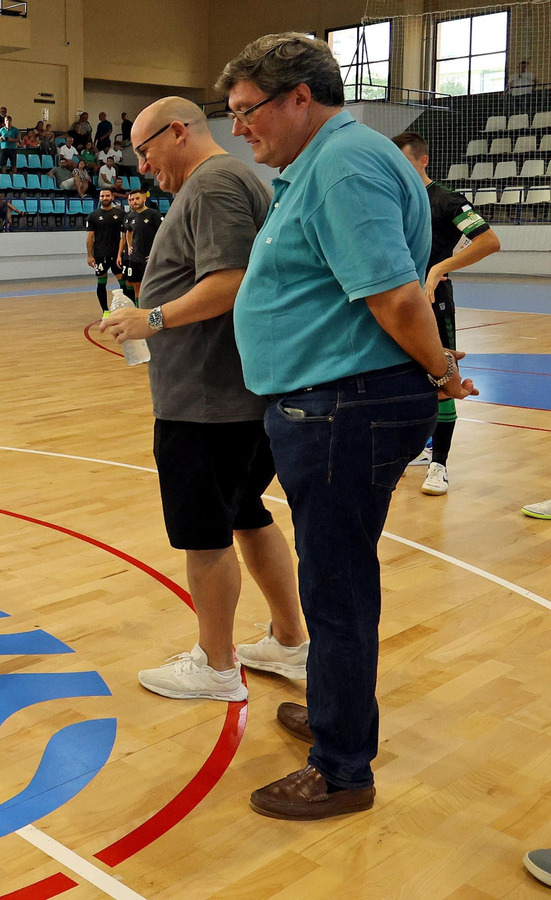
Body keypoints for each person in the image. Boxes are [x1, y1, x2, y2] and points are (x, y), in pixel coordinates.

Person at [218, 32, 477, 821]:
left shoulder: (342, 163)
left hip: (344, 406)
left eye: (247, 111)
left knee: (335, 587)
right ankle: (335, 711)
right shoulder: (330, 160)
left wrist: (439, 374)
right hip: (335, 403)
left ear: (301, 96)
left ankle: (341, 768)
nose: (239, 129)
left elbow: (397, 298)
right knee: (336, 577)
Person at [99, 96, 309, 705]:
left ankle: (217, 666)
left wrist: (153, 319)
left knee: (205, 533)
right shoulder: (223, 181)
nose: (142, 166)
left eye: (146, 150)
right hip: (227, 394)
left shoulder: (215, 183)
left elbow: (232, 279)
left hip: (208, 402)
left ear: (177, 131)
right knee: (246, 513)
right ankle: (291, 641)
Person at [391, 131, 501, 498]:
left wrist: (439, 269)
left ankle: (439, 463)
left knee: (443, 374)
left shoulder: (446, 200)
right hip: (398, 301)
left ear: (423, 160)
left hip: (434, 301)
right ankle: (417, 448)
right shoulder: (394, 201)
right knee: (403, 375)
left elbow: (488, 241)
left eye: (404, 162)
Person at [85, 189, 128, 314]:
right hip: (100, 255)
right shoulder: (93, 216)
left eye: (107, 195)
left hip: (117, 255)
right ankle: (105, 311)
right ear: (99, 198)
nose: (105, 197)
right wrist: (89, 255)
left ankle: (124, 309)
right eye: (102, 195)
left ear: (112, 197)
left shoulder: (120, 213)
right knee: (101, 283)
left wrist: (122, 253)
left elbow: (125, 235)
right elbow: (90, 237)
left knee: (124, 283)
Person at [119, 186, 163, 300]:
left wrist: (156, 252)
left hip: (150, 258)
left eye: (137, 198)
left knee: (152, 287)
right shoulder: (130, 216)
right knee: (136, 286)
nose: (134, 201)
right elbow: (128, 231)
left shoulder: (154, 214)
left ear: (144, 199)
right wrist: (129, 246)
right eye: (132, 199)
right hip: (135, 258)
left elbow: (163, 234)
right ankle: (139, 310)